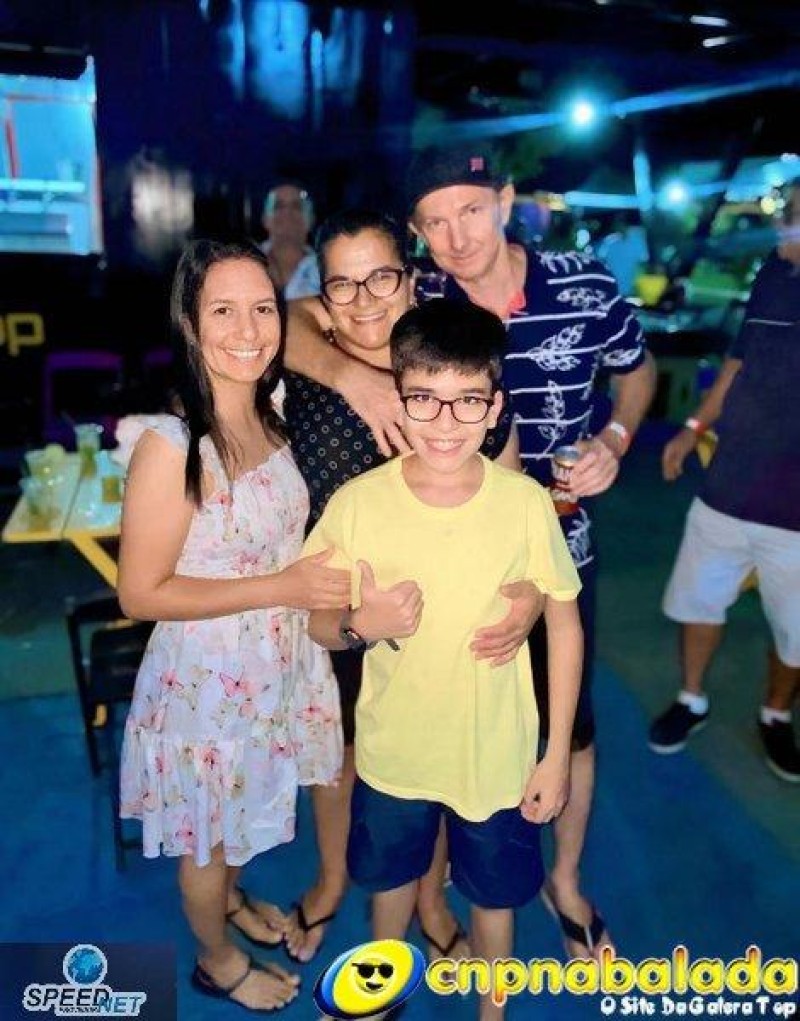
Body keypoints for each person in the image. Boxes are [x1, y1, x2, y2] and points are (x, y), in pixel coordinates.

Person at [304, 299, 583, 1020]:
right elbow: (316, 622)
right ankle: (376, 996)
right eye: (425, 398)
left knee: (495, 898)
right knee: (389, 885)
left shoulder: (523, 502)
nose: (446, 422)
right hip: (394, 754)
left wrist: (555, 756)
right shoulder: (358, 503)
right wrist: (360, 624)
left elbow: (563, 622)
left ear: (495, 409)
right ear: (398, 398)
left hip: (498, 756)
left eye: (468, 402)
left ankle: (493, 1010)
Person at [280, 209, 542, 964]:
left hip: (446, 614)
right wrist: (352, 377)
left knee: (432, 762)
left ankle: (430, 899)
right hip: (339, 601)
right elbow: (274, 315)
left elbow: (511, 490)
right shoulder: (307, 357)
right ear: (323, 292)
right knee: (343, 757)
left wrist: (527, 593)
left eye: (382, 278)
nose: (363, 299)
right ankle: (336, 881)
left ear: (412, 277)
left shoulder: (446, 360)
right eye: (343, 284)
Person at [117, 239, 348, 1013]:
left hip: (277, 662)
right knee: (209, 837)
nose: (248, 330)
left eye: (262, 308)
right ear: (189, 320)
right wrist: (283, 585)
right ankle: (216, 958)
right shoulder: (171, 444)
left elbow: (322, 311)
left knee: (241, 812)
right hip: (209, 683)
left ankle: (235, 898)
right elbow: (139, 592)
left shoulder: (269, 409)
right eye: (222, 310)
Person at [648, 178, 800, 783]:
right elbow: (737, 363)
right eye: (788, 214)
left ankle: (775, 714)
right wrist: (692, 428)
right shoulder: (773, 275)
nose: (784, 225)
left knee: (796, 632)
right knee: (699, 601)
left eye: (794, 217)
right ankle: (692, 699)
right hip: (728, 486)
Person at [260, 181, 321, 300]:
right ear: (265, 219)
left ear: (311, 219)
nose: (287, 213)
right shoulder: (247, 264)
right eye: (278, 206)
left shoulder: (324, 269)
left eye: (296, 206)